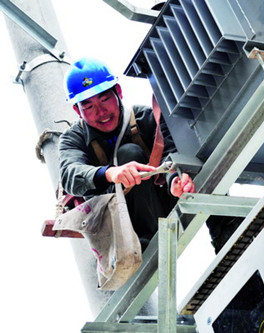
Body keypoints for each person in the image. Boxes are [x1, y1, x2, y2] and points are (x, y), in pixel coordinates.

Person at [59, 57, 195, 251]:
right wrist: (110, 173)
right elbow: (69, 174)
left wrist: (175, 179)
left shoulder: (146, 119)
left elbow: (172, 153)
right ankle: (144, 242)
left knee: (205, 174)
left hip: (164, 203)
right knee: (128, 154)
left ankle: (226, 237)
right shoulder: (74, 139)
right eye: (88, 106)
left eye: (105, 99)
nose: (100, 112)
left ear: (119, 92)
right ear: (77, 110)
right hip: (119, 225)